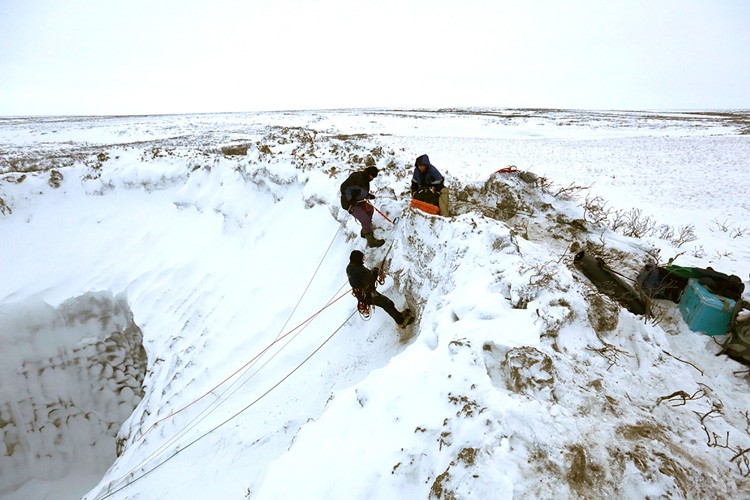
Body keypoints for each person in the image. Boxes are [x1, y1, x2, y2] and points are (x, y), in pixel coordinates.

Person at [346, 250, 414, 327]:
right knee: (387, 303)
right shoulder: (357, 269)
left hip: (363, 294)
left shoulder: (351, 267)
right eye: (362, 258)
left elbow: (363, 278)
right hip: (367, 295)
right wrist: (375, 271)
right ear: (357, 259)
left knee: (387, 303)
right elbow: (371, 280)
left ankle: (399, 316)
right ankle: (401, 322)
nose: (363, 260)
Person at [340, 166, 385, 248]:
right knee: (365, 219)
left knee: (370, 210)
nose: (372, 179)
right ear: (369, 174)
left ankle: (365, 231)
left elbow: (359, 190)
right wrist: (350, 200)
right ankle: (371, 241)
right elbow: (344, 187)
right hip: (350, 204)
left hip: (358, 201)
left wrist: (368, 195)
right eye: (372, 177)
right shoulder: (357, 177)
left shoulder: (365, 179)